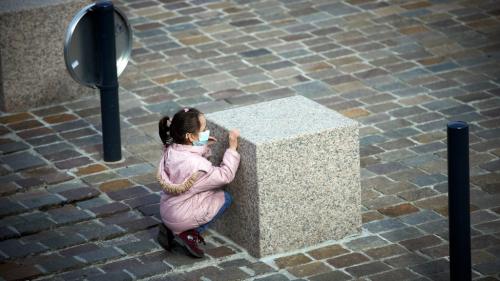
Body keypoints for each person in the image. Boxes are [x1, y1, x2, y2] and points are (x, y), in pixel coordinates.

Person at [156, 107, 240, 258]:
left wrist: (202, 145)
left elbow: (188, 155)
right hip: (180, 217)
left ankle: (170, 229)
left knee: (203, 191)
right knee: (225, 198)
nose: (207, 131)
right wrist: (232, 149)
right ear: (190, 137)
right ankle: (188, 234)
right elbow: (225, 175)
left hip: (167, 210)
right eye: (204, 129)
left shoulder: (171, 148)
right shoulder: (199, 167)